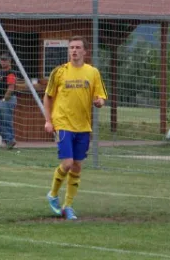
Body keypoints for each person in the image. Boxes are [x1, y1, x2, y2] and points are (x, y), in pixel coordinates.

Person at [44, 36, 107, 220]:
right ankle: (53, 194)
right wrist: (48, 121)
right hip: (63, 122)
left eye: (78, 47)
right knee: (67, 163)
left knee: (77, 166)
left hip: (83, 126)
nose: (74, 50)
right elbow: (48, 96)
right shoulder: (59, 72)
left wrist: (99, 102)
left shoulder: (93, 72)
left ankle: (68, 206)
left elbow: (101, 97)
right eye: (71, 47)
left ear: (84, 52)